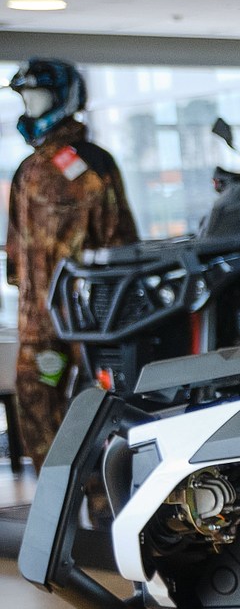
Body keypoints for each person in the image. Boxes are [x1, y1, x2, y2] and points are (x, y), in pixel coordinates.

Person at [6, 59, 135, 461]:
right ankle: (55, 490)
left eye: (39, 97)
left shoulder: (93, 165)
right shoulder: (27, 170)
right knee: (35, 400)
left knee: (99, 404)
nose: (30, 106)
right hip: (39, 323)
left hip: (88, 319)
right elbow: (17, 248)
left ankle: (101, 491)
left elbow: (120, 241)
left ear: (63, 99)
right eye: (26, 98)